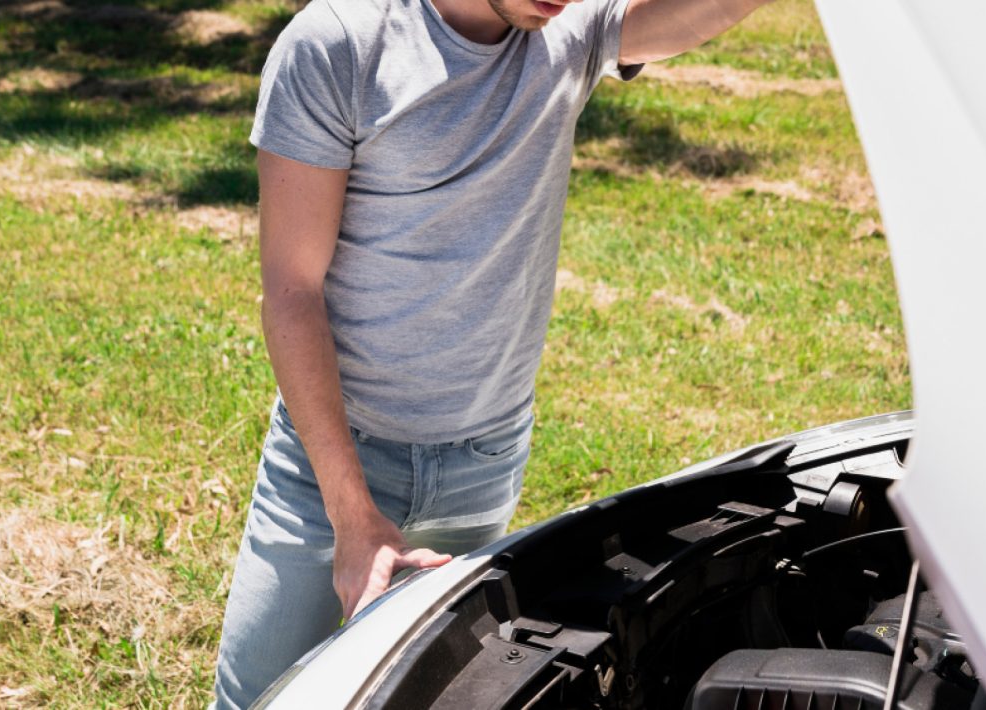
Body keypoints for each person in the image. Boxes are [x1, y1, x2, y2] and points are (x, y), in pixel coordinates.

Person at [212, 0, 772, 705]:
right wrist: (351, 513)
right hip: (330, 461)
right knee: (262, 697)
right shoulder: (339, 42)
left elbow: (685, 19)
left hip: (483, 460)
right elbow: (292, 290)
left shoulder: (566, 29)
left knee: (429, 696)